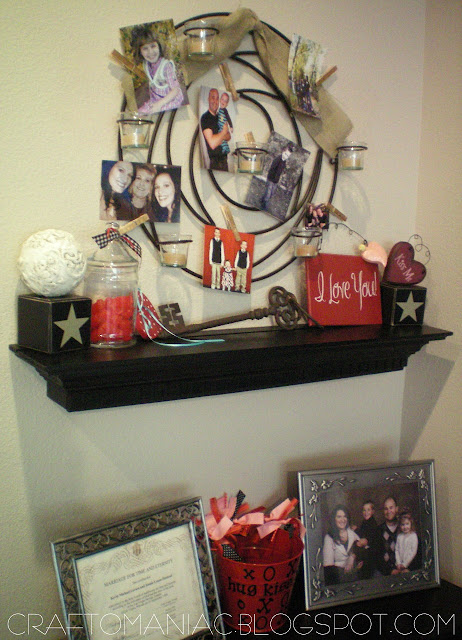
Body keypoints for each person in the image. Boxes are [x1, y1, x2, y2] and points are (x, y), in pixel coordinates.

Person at [130, 26, 184, 115]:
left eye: (153, 46)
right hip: (156, 99)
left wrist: (159, 104)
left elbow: (175, 90)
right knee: (139, 113)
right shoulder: (146, 65)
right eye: (145, 48)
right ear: (140, 52)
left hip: (170, 100)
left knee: (155, 113)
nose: (150, 52)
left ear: (159, 46)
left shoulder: (166, 66)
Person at [322, 504, 361, 585]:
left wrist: (352, 557)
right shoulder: (329, 538)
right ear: (334, 519)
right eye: (339, 517)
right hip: (338, 578)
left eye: (345, 516)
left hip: (354, 575)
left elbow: (363, 547)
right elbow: (328, 566)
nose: (342, 520)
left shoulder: (352, 533)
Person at [348, 500, 380, 579]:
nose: (366, 512)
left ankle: (356, 560)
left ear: (373, 511)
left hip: (372, 550)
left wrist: (365, 541)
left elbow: (371, 536)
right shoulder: (364, 522)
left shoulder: (372, 523)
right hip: (366, 546)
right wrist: (356, 529)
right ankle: (357, 561)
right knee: (355, 543)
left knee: (357, 544)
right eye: (364, 510)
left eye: (368, 510)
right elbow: (362, 533)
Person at [200, 88, 231, 171]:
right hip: (215, 164)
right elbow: (212, 144)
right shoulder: (205, 117)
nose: (215, 101)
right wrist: (223, 133)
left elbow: (229, 136)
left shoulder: (220, 116)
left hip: (225, 162)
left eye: (217, 98)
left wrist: (218, 137)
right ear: (208, 99)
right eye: (213, 97)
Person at [260, 143, 294, 210]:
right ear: (283, 152)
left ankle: (262, 199)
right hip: (271, 178)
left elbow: (280, 171)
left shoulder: (284, 162)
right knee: (268, 193)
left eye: (288, 156)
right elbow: (272, 169)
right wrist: (271, 178)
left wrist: (277, 179)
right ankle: (264, 206)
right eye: (285, 154)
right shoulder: (277, 159)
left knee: (272, 193)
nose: (286, 157)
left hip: (276, 180)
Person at [376, 496, 400, 576]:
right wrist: (390, 571)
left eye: (391, 508)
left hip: (403, 570)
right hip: (386, 573)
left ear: (396, 509)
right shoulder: (379, 530)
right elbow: (377, 557)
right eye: (386, 509)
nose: (388, 511)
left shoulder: (403, 527)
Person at [392, 509, 420, 574]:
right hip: (399, 565)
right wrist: (398, 563)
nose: (405, 527)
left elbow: (413, 552)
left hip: (409, 564)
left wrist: (405, 564)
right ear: (400, 525)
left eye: (407, 524)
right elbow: (397, 550)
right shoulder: (399, 536)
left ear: (411, 523)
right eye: (403, 525)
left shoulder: (413, 536)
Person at [217, 92, 233, 156]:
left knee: (223, 138)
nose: (223, 102)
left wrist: (231, 126)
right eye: (222, 99)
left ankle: (226, 149)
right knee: (221, 139)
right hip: (219, 127)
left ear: (227, 104)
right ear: (220, 100)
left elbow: (228, 118)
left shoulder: (225, 111)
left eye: (225, 101)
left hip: (223, 127)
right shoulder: (219, 110)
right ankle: (224, 148)